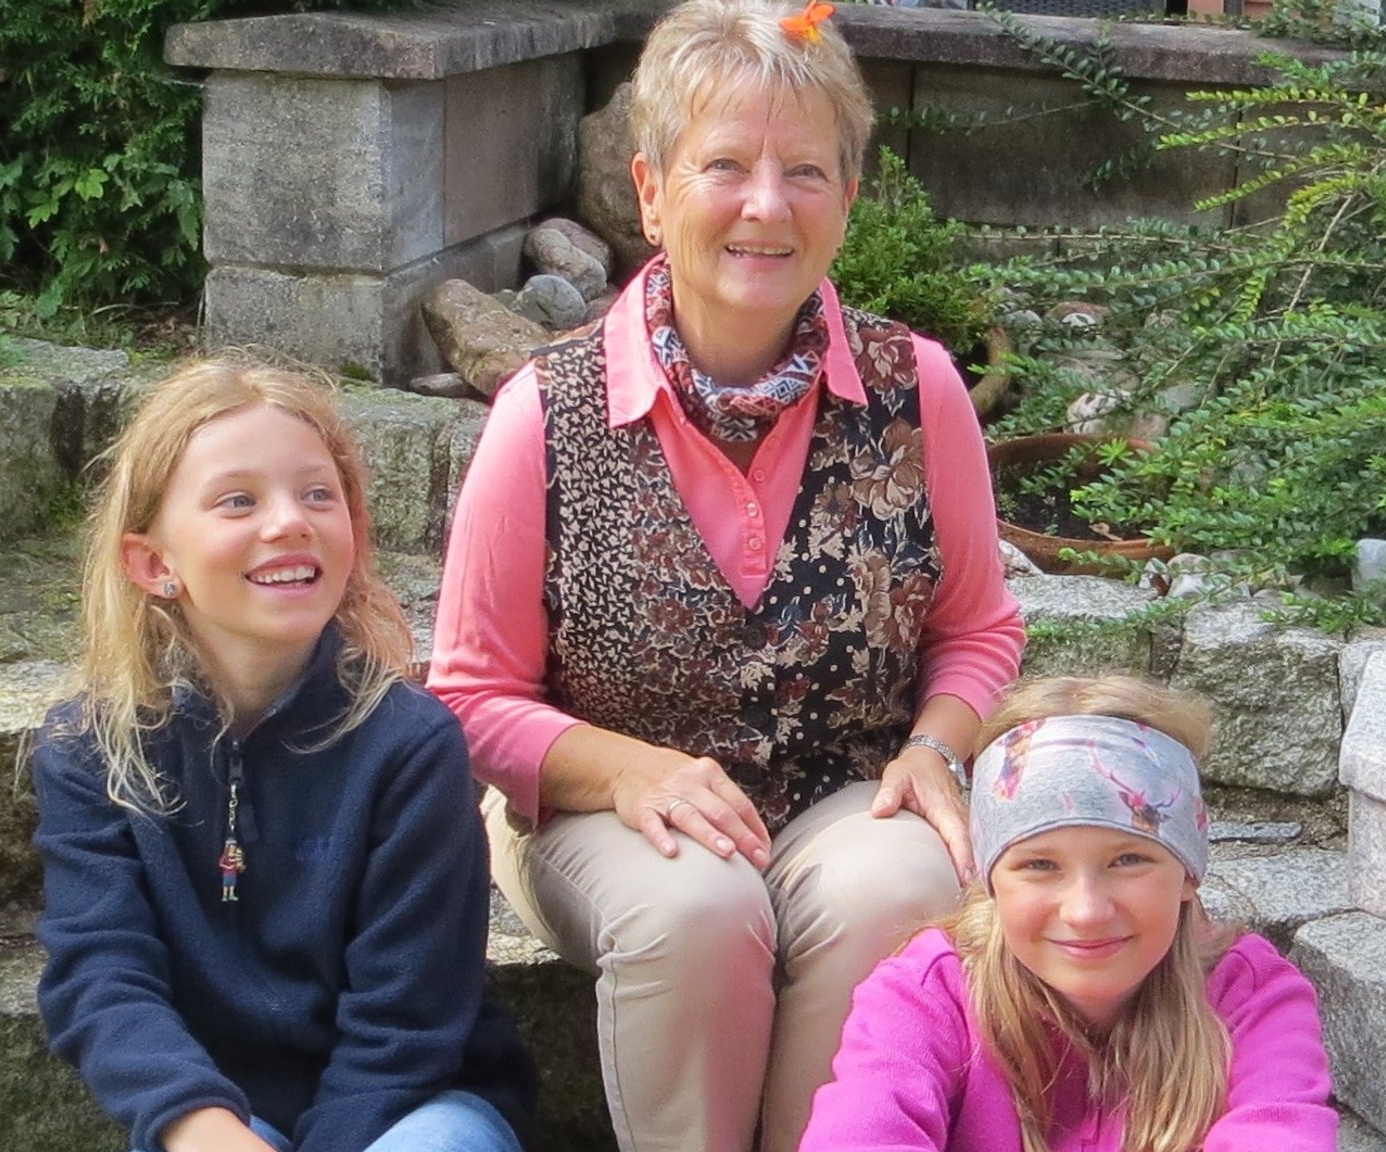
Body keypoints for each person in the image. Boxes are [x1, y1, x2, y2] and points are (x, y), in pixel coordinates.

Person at [425, 1, 1025, 1148]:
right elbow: (469, 696)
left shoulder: (920, 389)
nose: (766, 204)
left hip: (846, 790)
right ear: (649, 191)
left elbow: (978, 629)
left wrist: (935, 747)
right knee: (697, 910)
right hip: (607, 815)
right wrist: (625, 770)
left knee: (896, 889)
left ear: (846, 202)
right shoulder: (542, 414)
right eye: (725, 166)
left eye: (805, 171)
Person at [32, 359, 536, 1152]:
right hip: (216, 1115)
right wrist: (202, 1125)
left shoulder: (411, 746)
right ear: (153, 563)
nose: (289, 521)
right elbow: (103, 978)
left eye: (316, 494)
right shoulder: (90, 750)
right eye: (239, 500)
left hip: (416, 1104)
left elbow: (406, 1019)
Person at [799, 677, 1338, 1152]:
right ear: (990, 879)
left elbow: (1282, 1129)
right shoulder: (927, 994)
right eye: (1039, 865)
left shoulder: (1249, 996)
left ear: (1189, 871)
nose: (1085, 911)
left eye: (1128, 859)